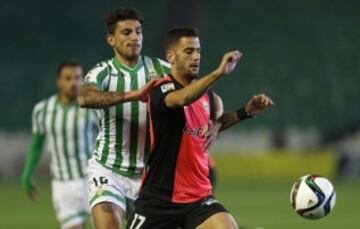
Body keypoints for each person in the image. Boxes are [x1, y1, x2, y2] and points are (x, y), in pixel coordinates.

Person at [128, 27, 274, 228]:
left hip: (198, 197)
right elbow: (182, 98)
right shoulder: (160, 90)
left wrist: (245, 112)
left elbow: (215, 125)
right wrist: (218, 73)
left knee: (227, 225)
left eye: (198, 51)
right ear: (171, 56)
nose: (196, 56)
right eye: (189, 51)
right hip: (159, 199)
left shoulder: (207, 97)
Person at [77, 7, 170, 228]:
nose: (135, 37)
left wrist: (213, 120)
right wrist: (133, 95)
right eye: (126, 32)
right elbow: (84, 97)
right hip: (109, 170)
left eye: (138, 32)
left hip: (150, 177)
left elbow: (203, 95)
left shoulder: (162, 69)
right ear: (111, 39)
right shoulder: (103, 71)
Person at [21, 60, 99, 229]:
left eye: (78, 78)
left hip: (92, 180)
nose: (74, 83)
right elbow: (37, 144)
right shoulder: (43, 110)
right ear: (58, 81)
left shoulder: (92, 108)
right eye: (68, 78)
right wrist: (27, 174)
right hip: (62, 184)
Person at [206, 92, 274, 189]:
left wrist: (245, 112)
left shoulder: (205, 97)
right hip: (179, 172)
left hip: (202, 171)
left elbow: (216, 123)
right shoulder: (178, 97)